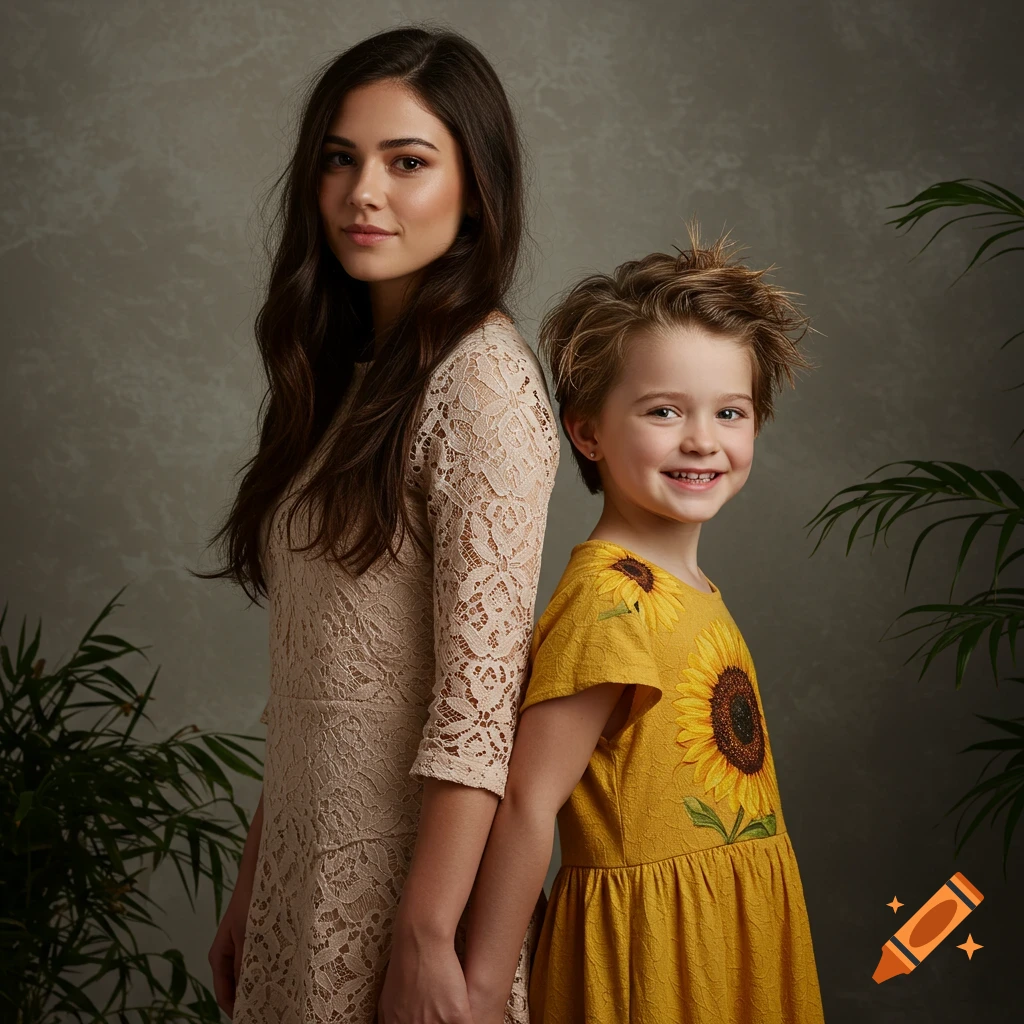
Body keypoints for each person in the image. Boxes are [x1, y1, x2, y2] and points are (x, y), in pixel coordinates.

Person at [203, 26, 558, 1024]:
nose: (363, 193)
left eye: (407, 162)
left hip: (408, 894)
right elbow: (320, 682)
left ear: (476, 189)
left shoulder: (481, 384)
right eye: (340, 159)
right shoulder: (347, 376)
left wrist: (427, 936)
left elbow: (478, 707)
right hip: (302, 874)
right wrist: (256, 886)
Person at [461, 232, 826, 1023]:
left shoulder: (690, 588)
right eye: (664, 411)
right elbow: (527, 801)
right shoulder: (610, 599)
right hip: (653, 955)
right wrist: (483, 989)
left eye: (729, 412)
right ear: (588, 431)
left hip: (732, 930)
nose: (702, 440)